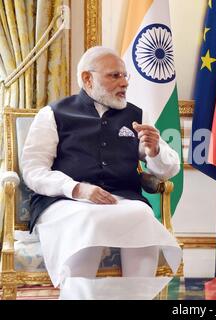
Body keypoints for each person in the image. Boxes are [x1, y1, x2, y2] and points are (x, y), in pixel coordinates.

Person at [21, 46, 182, 287]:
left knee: (142, 214)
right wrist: (77, 189)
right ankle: (78, 294)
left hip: (121, 200)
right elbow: (33, 170)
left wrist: (155, 151)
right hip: (66, 202)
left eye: (125, 75)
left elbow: (168, 171)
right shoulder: (53, 114)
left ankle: (135, 295)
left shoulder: (137, 115)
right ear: (88, 78)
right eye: (114, 75)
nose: (124, 82)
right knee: (89, 219)